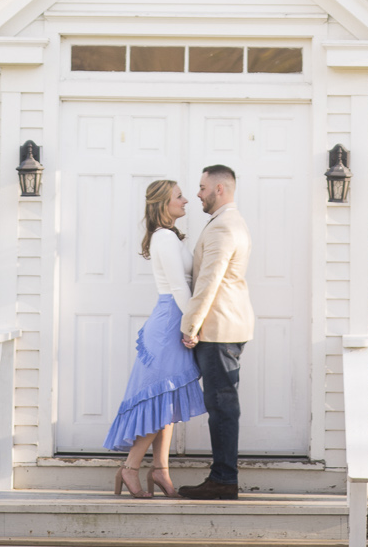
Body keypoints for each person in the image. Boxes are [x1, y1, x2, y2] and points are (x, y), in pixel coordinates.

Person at [104, 179, 206, 497]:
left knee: (168, 397)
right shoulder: (164, 237)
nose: (186, 200)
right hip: (170, 322)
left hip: (173, 318)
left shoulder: (169, 236)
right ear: (164, 203)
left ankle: (160, 469)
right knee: (160, 398)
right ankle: (130, 467)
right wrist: (193, 324)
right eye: (179, 196)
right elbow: (177, 286)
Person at [178, 164, 254, 501]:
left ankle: (224, 480)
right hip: (226, 324)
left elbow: (209, 281)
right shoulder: (230, 221)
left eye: (202, 187)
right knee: (223, 403)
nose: (197, 194)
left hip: (219, 328)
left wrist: (190, 325)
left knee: (222, 405)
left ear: (219, 189)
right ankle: (223, 477)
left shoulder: (224, 226)